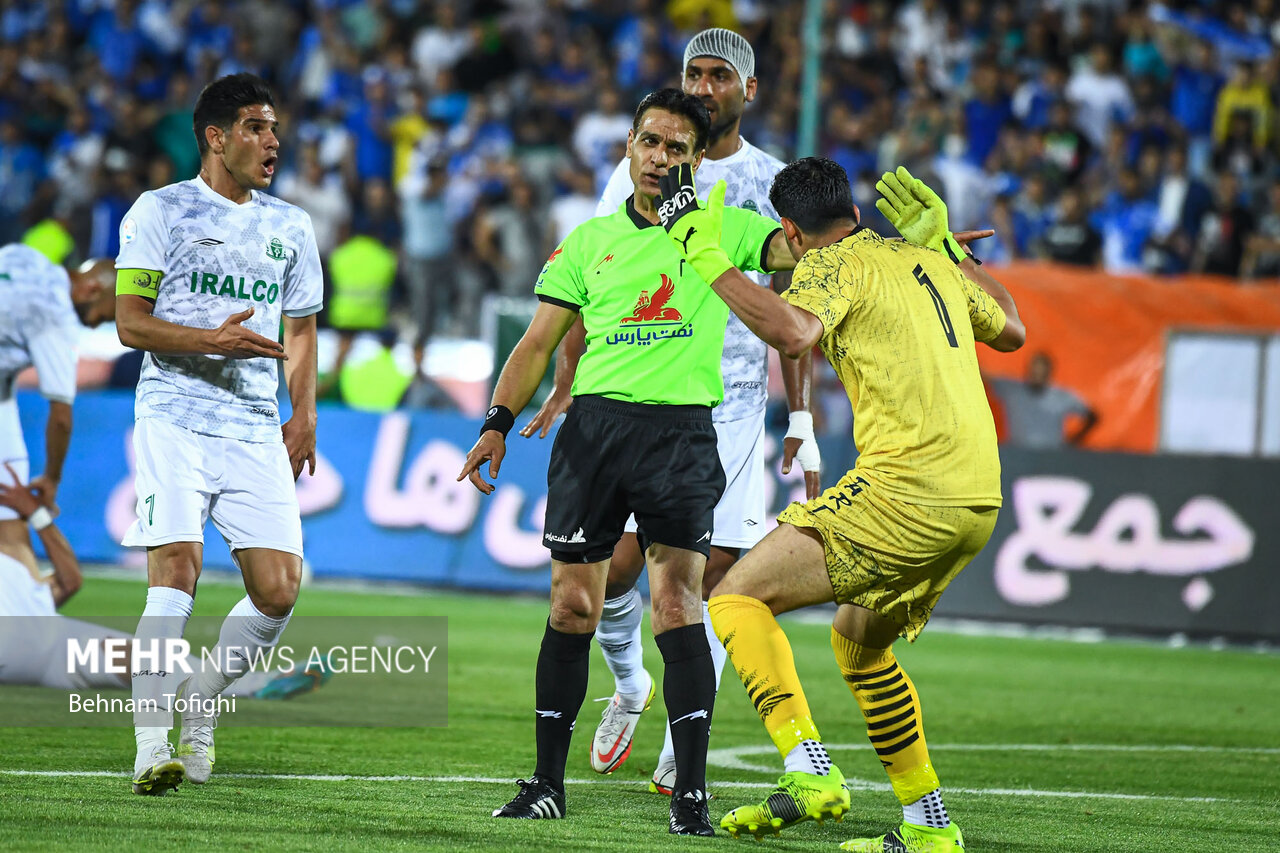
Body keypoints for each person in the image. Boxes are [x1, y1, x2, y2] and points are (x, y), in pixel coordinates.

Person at [653, 159, 1024, 849]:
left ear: (791, 231)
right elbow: (1011, 327)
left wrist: (702, 251)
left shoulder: (827, 264)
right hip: (978, 496)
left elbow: (794, 333)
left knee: (734, 598)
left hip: (906, 490)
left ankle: (809, 770)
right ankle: (928, 827)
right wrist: (948, 249)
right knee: (859, 644)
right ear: (852, 208)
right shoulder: (924, 257)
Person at [456, 87, 797, 836]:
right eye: (650, 142)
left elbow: (798, 249)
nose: (660, 157)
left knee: (679, 605)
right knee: (572, 603)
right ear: (630, 146)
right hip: (595, 435)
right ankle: (547, 781)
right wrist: (496, 421)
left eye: (678, 148)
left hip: (681, 436)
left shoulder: (726, 230)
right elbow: (538, 343)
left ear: (698, 160)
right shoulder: (587, 242)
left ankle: (692, 796)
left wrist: (902, 249)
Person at [521, 27, 824, 796]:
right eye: (695, 71)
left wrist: (802, 419)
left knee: (710, 587)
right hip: (623, 397)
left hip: (724, 407)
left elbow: (797, 299)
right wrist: (564, 380)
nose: (706, 85)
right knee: (612, 578)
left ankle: (679, 753)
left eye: (721, 75)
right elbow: (589, 284)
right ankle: (627, 684)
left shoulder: (769, 181)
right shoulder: (635, 173)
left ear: (748, 91)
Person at [113, 73, 323, 796]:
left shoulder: (291, 225)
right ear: (216, 137)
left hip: (253, 427)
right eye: (258, 128)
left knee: (278, 590)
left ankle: (201, 698)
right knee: (177, 573)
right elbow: (129, 323)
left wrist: (304, 415)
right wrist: (212, 341)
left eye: (274, 129)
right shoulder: (160, 211)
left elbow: (301, 329)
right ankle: (149, 747)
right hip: (174, 413)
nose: (273, 141)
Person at [0, 464, 329, 701]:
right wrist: (37, 515)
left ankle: (256, 686)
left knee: (148, 657)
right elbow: (71, 581)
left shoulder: (21, 581)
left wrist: (35, 514)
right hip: (43, 641)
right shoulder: (15, 561)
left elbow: (70, 581)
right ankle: (254, 685)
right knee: (149, 655)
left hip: (41, 641)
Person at [0, 249, 116, 575]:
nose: (95, 327)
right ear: (92, 289)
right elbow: (61, 417)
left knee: (9, 493)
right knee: (10, 502)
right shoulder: (56, 317)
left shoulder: (25, 256)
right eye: (104, 316)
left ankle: (16, 591)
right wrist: (52, 478)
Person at [991, 351, 1097, 449]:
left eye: (1040, 372)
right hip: (1019, 452)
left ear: (1049, 373)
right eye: (1034, 372)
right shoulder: (1012, 390)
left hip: (1050, 455)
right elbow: (985, 376)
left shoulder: (1061, 396)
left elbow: (1092, 416)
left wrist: (1075, 439)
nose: (1036, 376)